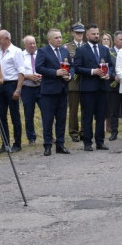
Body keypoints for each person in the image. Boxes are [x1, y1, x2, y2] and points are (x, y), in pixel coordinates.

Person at [73, 24, 113, 151]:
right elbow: (77, 68)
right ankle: (87, 143)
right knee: (88, 116)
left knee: (101, 116)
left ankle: (100, 142)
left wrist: (109, 74)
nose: (96, 36)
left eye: (97, 34)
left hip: (103, 87)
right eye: (93, 34)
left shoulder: (105, 50)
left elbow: (111, 66)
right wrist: (92, 71)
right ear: (87, 35)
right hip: (88, 88)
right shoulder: (81, 50)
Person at [35, 28, 73, 156]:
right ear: (49, 39)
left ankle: (60, 145)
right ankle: (47, 146)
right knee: (48, 120)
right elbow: (39, 67)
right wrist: (54, 73)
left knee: (61, 119)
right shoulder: (43, 51)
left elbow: (71, 67)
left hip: (62, 90)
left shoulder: (64, 51)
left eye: (60, 37)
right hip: (48, 92)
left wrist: (70, 76)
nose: (59, 39)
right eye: (56, 37)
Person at [0, 29, 24, 153]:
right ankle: (5, 144)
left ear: (7, 38)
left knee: (14, 115)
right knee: (1, 116)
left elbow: (21, 71)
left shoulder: (16, 51)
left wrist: (18, 89)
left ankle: (17, 143)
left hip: (12, 85)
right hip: (0, 85)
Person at [18, 35, 42, 145]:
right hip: (27, 88)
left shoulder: (41, 54)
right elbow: (18, 72)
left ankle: (49, 135)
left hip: (41, 87)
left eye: (34, 43)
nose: (32, 45)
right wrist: (28, 76)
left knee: (47, 112)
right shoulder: (21, 56)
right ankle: (31, 138)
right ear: (25, 45)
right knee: (29, 114)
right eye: (30, 44)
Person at [106, 31, 122, 140]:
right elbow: (107, 67)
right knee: (113, 110)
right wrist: (114, 76)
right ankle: (114, 131)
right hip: (114, 85)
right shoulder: (109, 52)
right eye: (121, 40)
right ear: (114, 40)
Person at [66, 22, 85, 142]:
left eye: (82, 32)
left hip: (86, 81)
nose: (80, 35)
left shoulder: (87, 46)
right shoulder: (66, 47)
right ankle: (73, 132)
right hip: (73, 82)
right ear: (73, 33)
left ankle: (84, 131)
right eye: (77, 32)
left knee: (86, 108)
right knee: (73, 109)